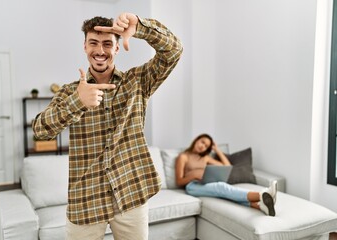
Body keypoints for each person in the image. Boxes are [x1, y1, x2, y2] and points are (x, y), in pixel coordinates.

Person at [32, 12, 182, 240]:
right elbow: (40, 131)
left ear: (116, 48)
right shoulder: (70, 92)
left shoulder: (137, 82)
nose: (100, 51)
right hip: (86, 200)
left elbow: (173, 52)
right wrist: (77, 102)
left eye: (107, 44)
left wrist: (140, 27)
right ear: (84, 46)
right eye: (93, 43)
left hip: (131, 193)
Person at [175, 133, 277, 216]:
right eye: (202, 142)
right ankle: (262, 195)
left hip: (205, 183)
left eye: (206, 146)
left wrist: (217, 150)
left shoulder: (205, 158)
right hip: (192, 186)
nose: (202, 146)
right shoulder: (184, 156)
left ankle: (260, 206)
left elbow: (227, 166)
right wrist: (193, 175)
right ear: (196, 140)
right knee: (221, 187)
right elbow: (179, 181)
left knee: (226, 195)